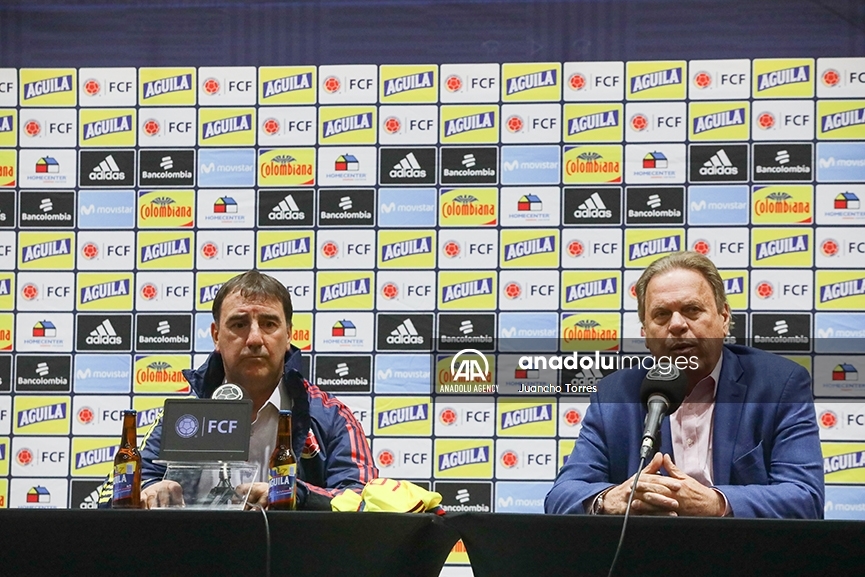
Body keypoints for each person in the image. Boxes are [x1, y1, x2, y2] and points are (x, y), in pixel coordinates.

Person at [545, 251, 824, 518]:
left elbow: (806, 498)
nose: (677, 325)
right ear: (645, 332)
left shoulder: (779, 385)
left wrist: (716, 503)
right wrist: (611, 499)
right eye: (661, 315)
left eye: (692, 310)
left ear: (724, 318)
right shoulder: (614, 395)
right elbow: (562, 496)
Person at [98, 270, 377, 509]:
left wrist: (295, 494)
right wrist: (147, 489)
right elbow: (111, 493)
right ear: (216, 335)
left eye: (269, 323)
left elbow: (364, 499)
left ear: (290, 334)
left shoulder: (330, 416)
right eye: (239, 324)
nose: (255, 338)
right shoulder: (187, 413)